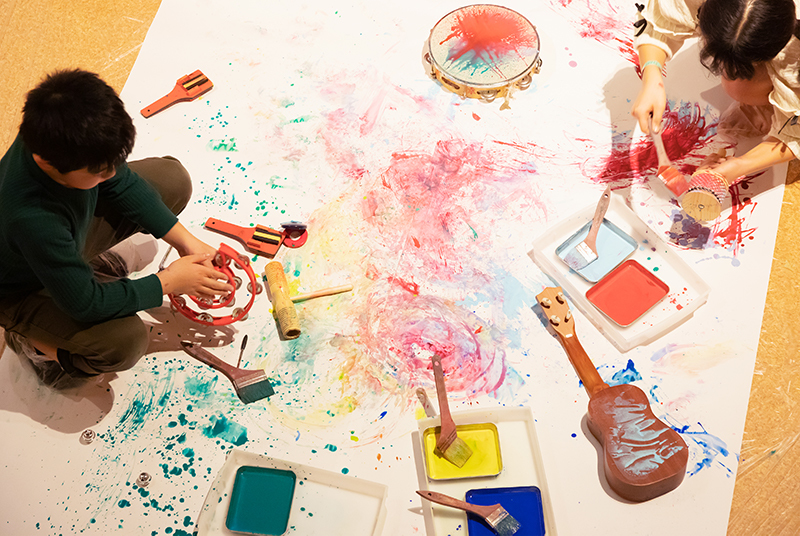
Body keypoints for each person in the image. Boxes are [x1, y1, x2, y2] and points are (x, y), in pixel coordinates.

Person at [0, 69, 232, 387]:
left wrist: (186, 241)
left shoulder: (55, 132)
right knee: (125, 343)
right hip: (18, 288)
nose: (110, 174)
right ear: (46, 161)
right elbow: (85, 303)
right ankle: (33, 342)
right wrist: (168, 282)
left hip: (56, 242)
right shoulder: (34, 218)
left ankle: (75, 267)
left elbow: (120, 181)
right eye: (99, 171)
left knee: (173, 180)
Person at [631, 0, 800, 184]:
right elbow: (659, 21)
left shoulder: (794, 59)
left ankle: (767, 106)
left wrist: (740, 165)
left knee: (740, 88)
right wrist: (652, 77)